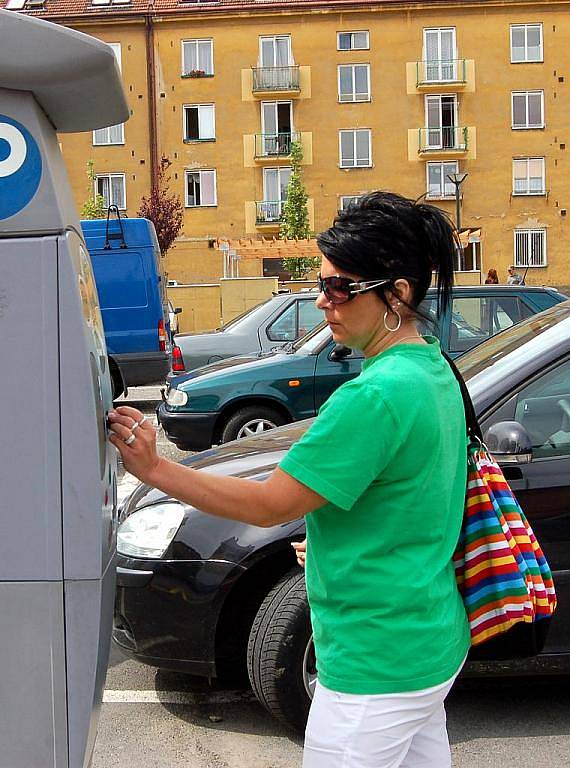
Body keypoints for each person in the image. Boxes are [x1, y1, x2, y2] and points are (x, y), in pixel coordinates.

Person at [109, 192, 470, 768]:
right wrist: (333, 543)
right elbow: (409, 496)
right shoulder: (430, 366)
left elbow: (270, 504)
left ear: (397, 293)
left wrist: (154, 469)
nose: (323, 303)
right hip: (425, 639)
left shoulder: (374, 395)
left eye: (340, 288)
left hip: (373, 659)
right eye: (320, 285)